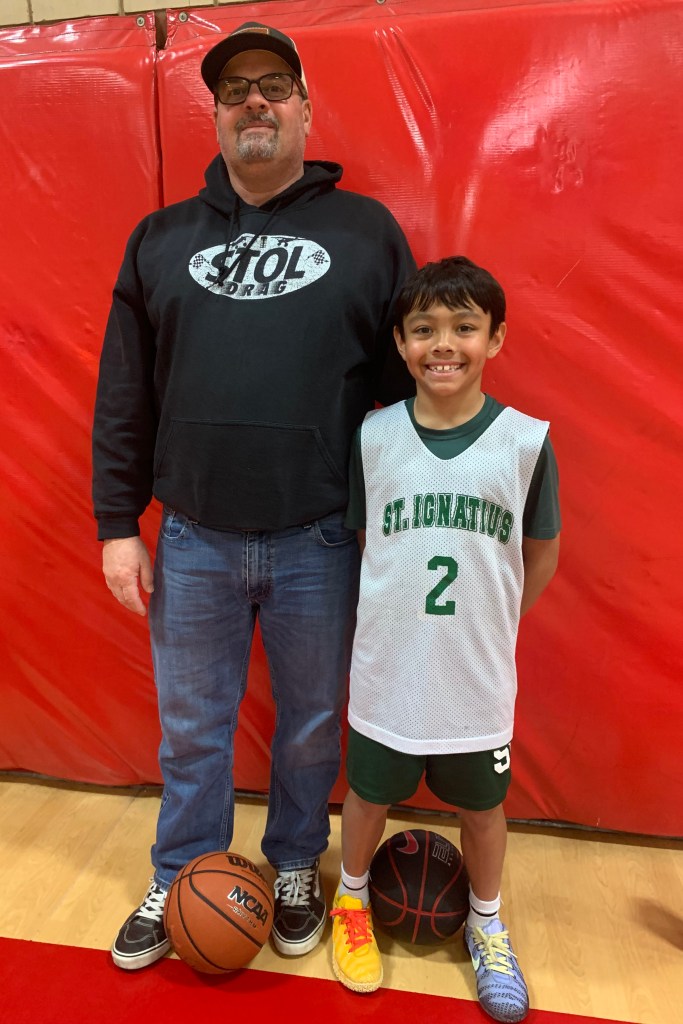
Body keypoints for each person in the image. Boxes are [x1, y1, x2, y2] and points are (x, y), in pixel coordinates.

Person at [92, 21, 415, 971]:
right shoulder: (159, 239)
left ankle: (294, 863)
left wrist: (407, 520)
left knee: (311, 726)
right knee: (191, 731)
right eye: (234, 90)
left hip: (321, 537)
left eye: (274, 84)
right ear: (217, 116)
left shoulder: (367, 233)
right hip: (193, 537)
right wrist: (117, 523)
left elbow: (407, 393)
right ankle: (183, 871)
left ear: (306, 109)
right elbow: (125, 391)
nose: (254, 102)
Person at [329, 256, 560, 1022]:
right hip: (388, 667)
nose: (443, 344)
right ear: (399, 343)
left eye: (464, 327)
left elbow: (542, 551)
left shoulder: (524, 442)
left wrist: (497, 622)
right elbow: (365, 540)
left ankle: (486, 924)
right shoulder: (373, 436)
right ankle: (352, 902)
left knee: (483, 810)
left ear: (495, 338)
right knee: (368, 794)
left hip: (475, 674)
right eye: (423, 329)